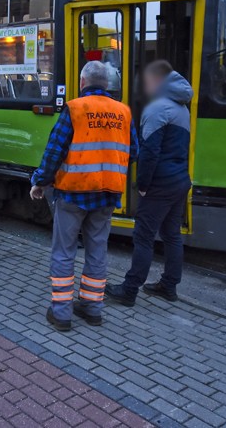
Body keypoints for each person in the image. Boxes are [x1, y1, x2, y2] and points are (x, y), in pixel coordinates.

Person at [30, 61, 138, 332]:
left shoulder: (75, 108)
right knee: (97, 252)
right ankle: (92, 309)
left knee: (64, 253)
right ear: (107, 84)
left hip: (73, 194)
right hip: (107, 195)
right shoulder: (123, 112)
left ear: (82, 82)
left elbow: (54, 151)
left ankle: (62, 314)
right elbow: (134, 151)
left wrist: (40, 182)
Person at [107, 60, 193, 307]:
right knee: (171, 235)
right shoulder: (181, 107)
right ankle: (169, 286)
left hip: (160, 184)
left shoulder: (157, 109)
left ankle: (129, 289)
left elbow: (149, 152)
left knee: (143, 236)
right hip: (179, 181)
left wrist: (142, 184)